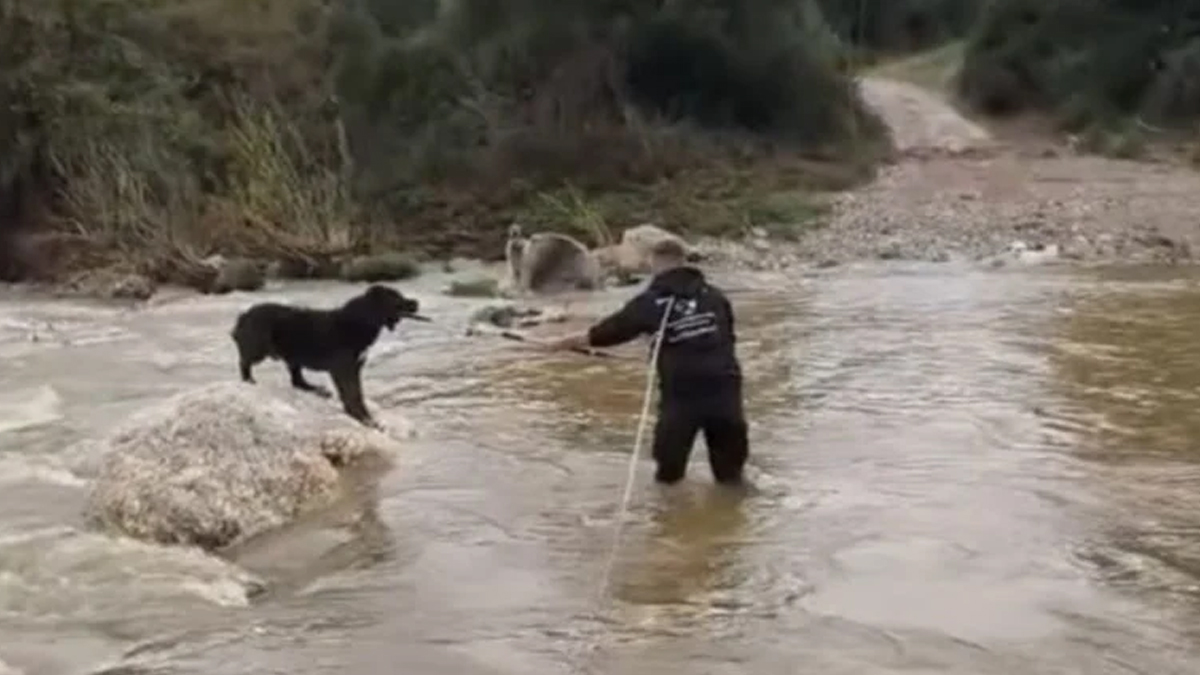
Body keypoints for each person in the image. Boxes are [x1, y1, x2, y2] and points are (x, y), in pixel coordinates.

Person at [547, 239, 748, 486]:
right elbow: (727, 337)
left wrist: (561, 342)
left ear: (655, 262)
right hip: (725, 388)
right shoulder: (715, 296)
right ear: (683, 261)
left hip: (682, 395)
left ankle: (669, 509)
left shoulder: (650, 302)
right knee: (730, 477)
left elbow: (607, 332)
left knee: (669, 475)